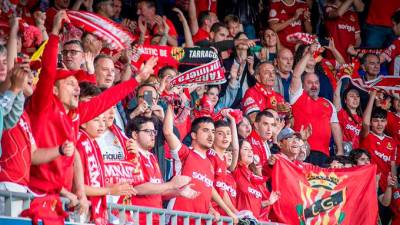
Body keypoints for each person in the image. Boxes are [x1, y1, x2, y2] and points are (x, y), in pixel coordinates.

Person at [26, 10, 156, 212]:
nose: (77, 87)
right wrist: (53, 33)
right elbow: (49, 71)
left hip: (64, 199)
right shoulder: (44, 105)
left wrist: (138, 80)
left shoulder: (77, 115)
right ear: (54, 89)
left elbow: (106, 99)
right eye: (70, 83)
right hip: (35, 194)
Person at [163, 102, 239, 224]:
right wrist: (170, 106)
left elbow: (207, 189)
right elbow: (168, 132)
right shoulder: (185, 153)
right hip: (178, 219)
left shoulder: (210, 163)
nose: (211, 135)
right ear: (193, 135)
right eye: (205, 131)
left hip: (200, 221)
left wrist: (211, 208)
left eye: (213, 132)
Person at [125, 116, 198, 225]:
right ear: (135, 135)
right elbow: (137, 188)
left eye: (153, 131)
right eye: (147, 131)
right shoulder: (131, 154)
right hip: (139, 219)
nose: (152, 135)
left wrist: (178, 192)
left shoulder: (152, 157)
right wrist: (171, 185)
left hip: (156, 219)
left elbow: (159, 191)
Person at [290, 45, 344, 166]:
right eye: (309, 83)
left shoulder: (328, 103)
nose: (314, 85)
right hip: (302, 151)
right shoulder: (298, 97)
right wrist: (309, 53)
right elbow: (296, 75)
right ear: (302, 86)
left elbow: (335, 126)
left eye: (316, 82)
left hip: (324, 154)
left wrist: (340, 150)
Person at [233, 139, 280, 221]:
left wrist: (268, 202)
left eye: (251, 149)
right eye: (245, 149)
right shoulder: (236, 170)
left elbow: (254, 206)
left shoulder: (254, 178)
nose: (250, 152)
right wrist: (233, 125)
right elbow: (235, 149)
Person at [360, 90, 397, 192]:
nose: (379, 124)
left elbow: (392, 165)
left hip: (387, 186)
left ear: (386, 122)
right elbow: (365, 124)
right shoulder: (367, 135)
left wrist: (395, 187)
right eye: (376, 121)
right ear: (371, 122)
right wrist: (372, 96)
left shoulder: (391, 141)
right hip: (369, 183)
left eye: (382, 121)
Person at [207, 113, 239, 216]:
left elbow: (222, 189)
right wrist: (211, 207)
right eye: (220, 133)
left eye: (228, 133)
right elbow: (206, 186)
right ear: (213, 136)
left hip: (218, 213)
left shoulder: (223, 160)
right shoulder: (209, 156)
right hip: (208, 211)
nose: (226, 136)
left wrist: (234, 211)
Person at [246, 111, 276, 175]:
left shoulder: (263, 139)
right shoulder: (252, 143)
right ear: (256, 125)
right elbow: (258, 174)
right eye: (265, 124)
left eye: (272, 125)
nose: (269, 129)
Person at [380, 10, 400, 76]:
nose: (392, 28)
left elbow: (379, 59)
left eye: (393, 24)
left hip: (396, 84)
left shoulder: (398, 43)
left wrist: (357, 54)